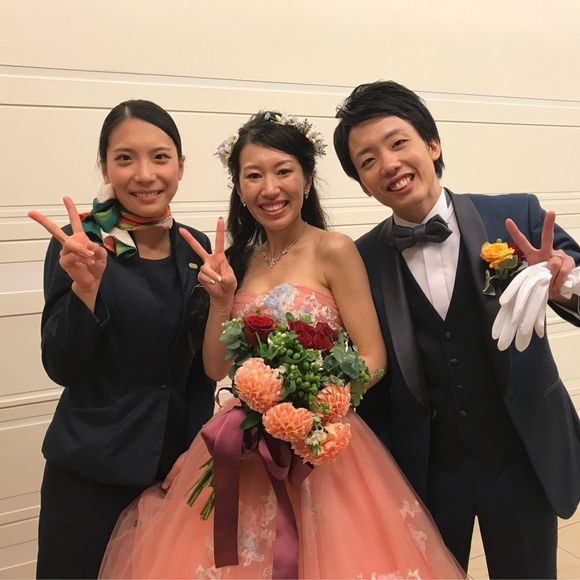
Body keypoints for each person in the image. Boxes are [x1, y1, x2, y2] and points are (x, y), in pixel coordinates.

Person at [99, 111, 464, 579]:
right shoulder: (238, 260)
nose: (269, 188)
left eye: (283, 171)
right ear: (239, 188)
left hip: (323, 446)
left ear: (306, 179)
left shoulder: (334, 250)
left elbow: (373, 358)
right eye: (253, 175)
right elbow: (215, 368)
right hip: (245, 443)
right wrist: (222, 301)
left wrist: (312, 408)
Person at [333, 80, 580, 578]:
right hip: (425, 468)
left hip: (521, 452)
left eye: (398, 143)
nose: (389, 164)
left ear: (432, 144)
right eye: (368, 160)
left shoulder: (515, 215)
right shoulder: (358, 259)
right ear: (362, 183)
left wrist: (563, 284)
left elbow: (573, 277)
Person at [28, 100, 216, 579]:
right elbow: (61, 366)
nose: (145, 174)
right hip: (90, 475)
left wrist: (195, 451)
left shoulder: (196, 247)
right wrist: (85, 292)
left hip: (171, 474)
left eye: (160, 157)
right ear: (105, 167)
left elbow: (199, 369)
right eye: (125, 158)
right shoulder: (79, 244)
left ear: (180, 165)